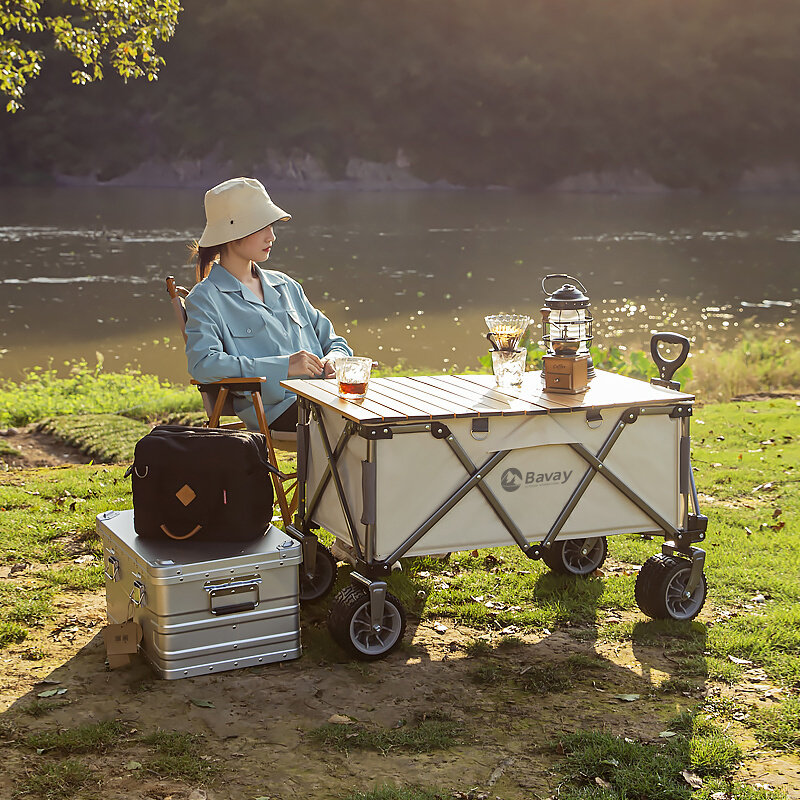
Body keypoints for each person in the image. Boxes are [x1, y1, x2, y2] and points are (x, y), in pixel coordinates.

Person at [184, 177, 352, 432]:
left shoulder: (286, 285)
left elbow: (336, 343)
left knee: (392, 416)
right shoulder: (206, 298)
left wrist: (334, 360)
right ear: (232, 232)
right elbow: (203, 365)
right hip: (280, 411)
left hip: (326, 397)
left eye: (271, 226)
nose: (271, 236)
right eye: (261, 226)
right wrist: (284, 366)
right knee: (366, 427)